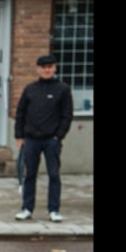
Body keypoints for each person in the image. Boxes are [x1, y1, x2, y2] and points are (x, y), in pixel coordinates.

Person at [14, 55, 74, 222]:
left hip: (51, 140)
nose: (47, 70)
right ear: (38, 69)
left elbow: (67, 115)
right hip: (31, 139)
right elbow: (21, 113)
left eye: (50, 67)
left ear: (54, 68)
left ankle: (54, 210)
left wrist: (58, 136)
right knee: (30, 175)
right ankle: (27, 208)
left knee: (54, 175)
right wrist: (19, 135)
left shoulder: (62, 89)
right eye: (43, 67)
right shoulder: (30, 89)